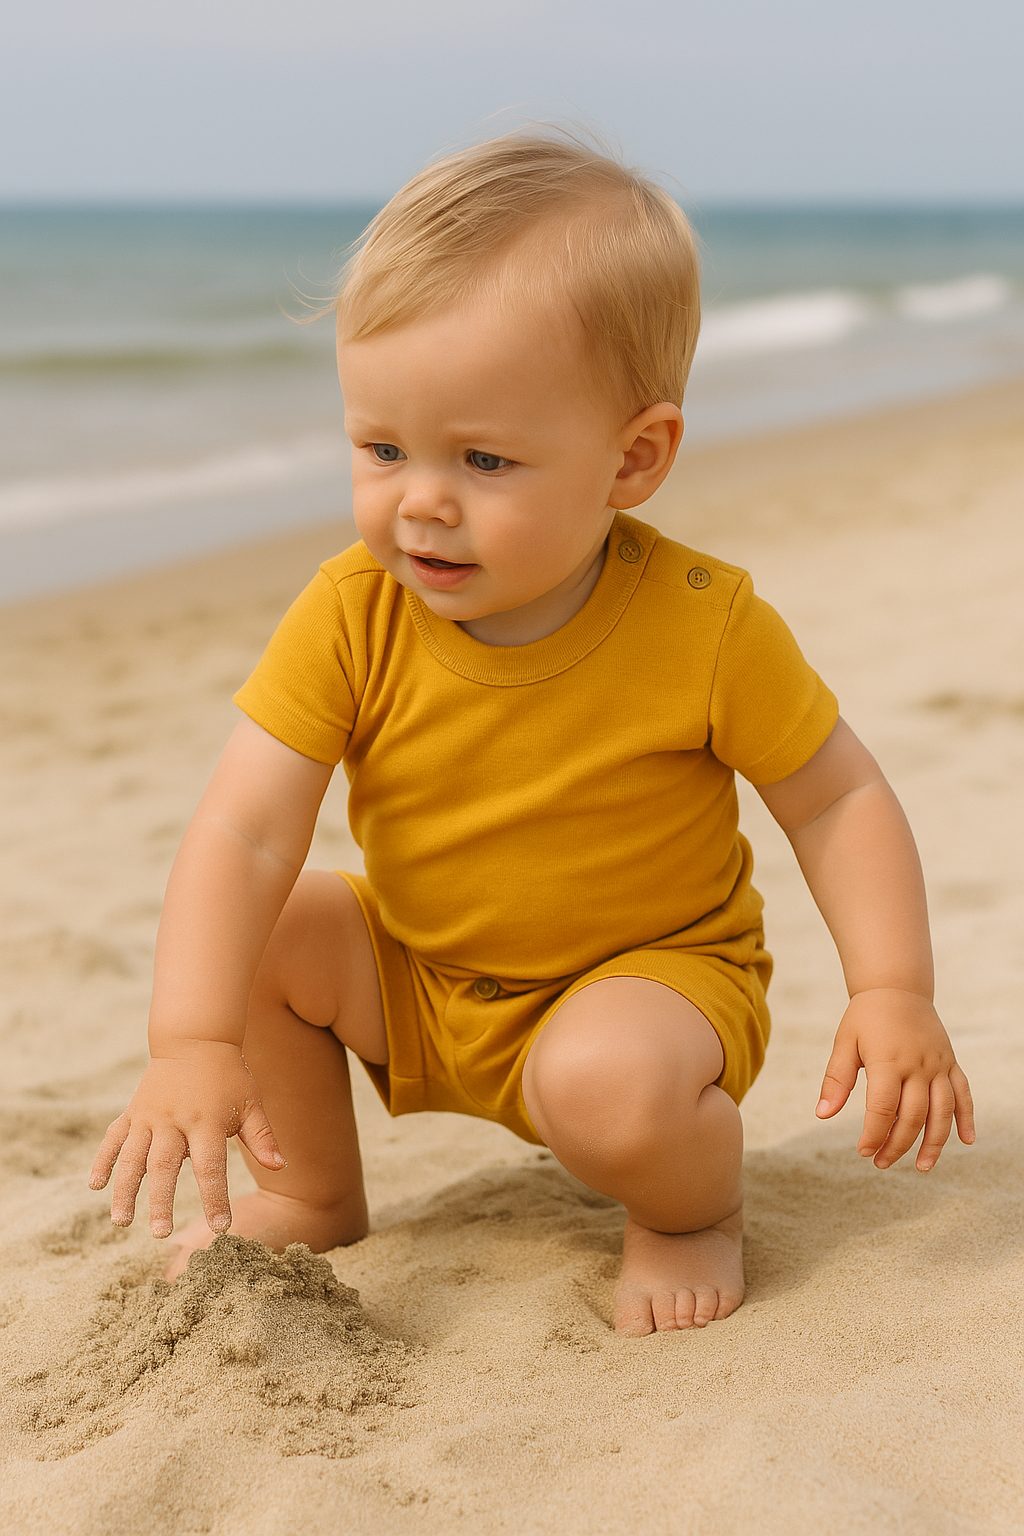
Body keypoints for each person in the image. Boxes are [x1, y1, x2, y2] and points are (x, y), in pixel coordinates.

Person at [89, 132, 974, 1336]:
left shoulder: (703, 625)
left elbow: (834, 800)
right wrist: (189, 1038)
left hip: (645, 987)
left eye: (484, 458)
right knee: (277, 919)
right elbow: (243, 828)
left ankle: (686, 1210)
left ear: (633, 457)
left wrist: (893, 988)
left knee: (601, 1084)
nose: (420, 501)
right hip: (424, 971)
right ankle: (312, 1193)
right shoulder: (352, 610)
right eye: (381, 448)